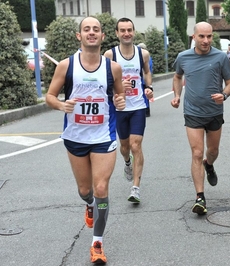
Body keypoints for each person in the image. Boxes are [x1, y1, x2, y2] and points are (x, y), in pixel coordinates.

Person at [45, 17, 125, 264]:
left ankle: (97, 242)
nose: (92, 33)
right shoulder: (66, 66)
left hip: (103, 136)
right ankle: (89, 204)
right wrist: (61, 104)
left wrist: (119, 101)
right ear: (79, 36)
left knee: (101, 188)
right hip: (76, 136)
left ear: (102, 37)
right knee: (85, 190)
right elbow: (49, 96)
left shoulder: (112, 68)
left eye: (96, 30)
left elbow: (119, 93)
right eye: (86, 29)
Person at [171, 22, 230, 215]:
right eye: (202, 37)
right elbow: (176, 76)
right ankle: (200, 197)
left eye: (209, 37)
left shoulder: (221, 57)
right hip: (192, 112)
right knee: (197, 153)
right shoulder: (183, 57)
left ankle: (210, 164)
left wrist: (223, 95)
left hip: (214, 112)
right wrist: (177, 95)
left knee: (212, 151)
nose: (206, 41)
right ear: (194, 37)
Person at [104, 17, 153, 204]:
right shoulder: (110, 55)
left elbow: (147, 72)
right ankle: (127, 162)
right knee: (125, 148)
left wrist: (149, 88)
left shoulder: (143, 54)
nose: (126, 33)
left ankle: (136, 188)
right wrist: (117, 86)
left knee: (136, 145)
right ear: (117, 33)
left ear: (134, 32)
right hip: (120, 108)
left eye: (129, 30)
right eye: (122, 30)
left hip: (138, 106)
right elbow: (105, 82)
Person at [137, 42, 153, 117]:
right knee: (145, 94)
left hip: (143, 79)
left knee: (144, 94)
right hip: (144, 79)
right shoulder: (149, 57)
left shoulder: (146, 57)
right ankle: (146, 109)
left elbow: (147, 70)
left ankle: (146, 109)